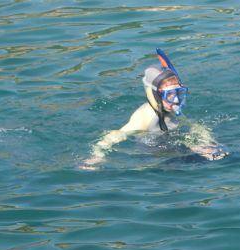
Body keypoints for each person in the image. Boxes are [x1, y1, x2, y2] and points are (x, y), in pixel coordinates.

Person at [82, 49, 226, 170]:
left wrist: (205, 142)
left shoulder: (170, 108)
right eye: (169, 95)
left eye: (179, 93)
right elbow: (116, 135)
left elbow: (193, 126)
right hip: (152, 157)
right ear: (154, 94)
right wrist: (97, 155)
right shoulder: (144, 116)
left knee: (221, 155)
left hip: (171, 146)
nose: (176, 99)